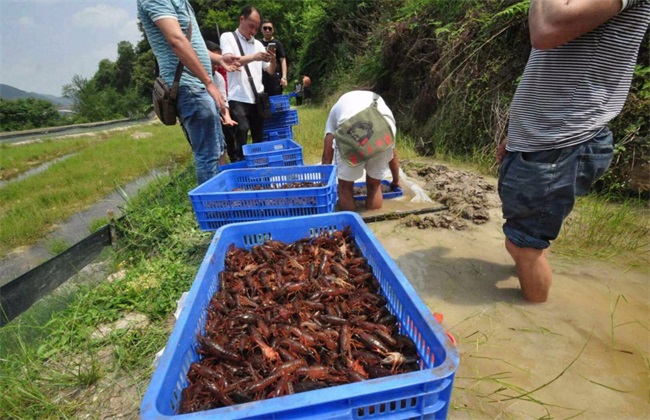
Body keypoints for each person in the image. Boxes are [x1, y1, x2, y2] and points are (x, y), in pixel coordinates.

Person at [496, 0, 650, 303]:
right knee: (529, 238)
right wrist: (514, 136)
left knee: (523, 246)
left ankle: (533, 320)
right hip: (545, 139)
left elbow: (546, 30)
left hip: (559, 141)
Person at [137, 0, 240, 185]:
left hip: (199, 86)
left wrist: (219, 59)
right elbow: (176, 40)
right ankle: (213, 210)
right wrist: (209, 82)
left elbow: (192, 43)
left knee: (218, 150)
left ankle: (224, 202)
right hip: (189, 87)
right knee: (208, 155)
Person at [321, 90, 400, 211]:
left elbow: (327, 154)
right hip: (383, 128)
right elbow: (392, 152)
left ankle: (352, 224)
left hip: (351, 133)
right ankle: (374, 222)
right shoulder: (377, 100)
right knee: (375, 185)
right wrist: (396, 180)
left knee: (345, 187)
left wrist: (323, 185)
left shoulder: (336, 108)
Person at [220, 6, 276, 162]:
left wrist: (273, 60)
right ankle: (240, 163)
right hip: (238, 96)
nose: (253, 31)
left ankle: (259, 167)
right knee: (242, 130)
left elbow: (270, 71)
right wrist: (254, 57)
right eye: (251, 26)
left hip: (257, 97)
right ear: (241, 19)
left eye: (256, 28)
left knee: (259, 136)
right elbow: (229, 60)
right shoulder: (228, 37)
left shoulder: (258, 45)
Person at [206, 40, 238, 161]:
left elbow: (223, 99)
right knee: (208, 152)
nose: (216, 64)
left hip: (216, 115)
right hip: (204, 117)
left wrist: (227, 117)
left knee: (221, 146)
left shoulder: (218, 77)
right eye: (213, 60)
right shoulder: (195, 75)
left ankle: (223, 171)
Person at [259, 19, 287, 96]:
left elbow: (283, 60)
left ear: (273, 30)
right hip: (262, 77)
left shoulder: (277, 43)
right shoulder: (258, 43)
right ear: (261, 30)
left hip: (275, 77)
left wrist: (284, 77)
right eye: (265, 28)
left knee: (276, 100)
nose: (267, 30)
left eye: (269, 28)